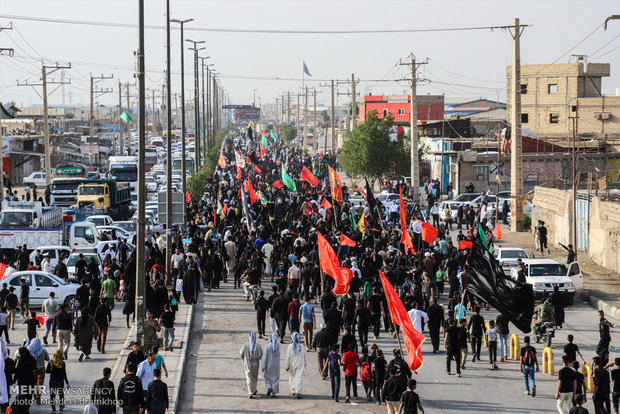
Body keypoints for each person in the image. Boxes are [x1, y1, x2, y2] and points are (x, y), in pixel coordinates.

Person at [240, 331, 263, 398]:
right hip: (255, 364)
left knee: (249, 377)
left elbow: (241, 353)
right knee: (255, 377)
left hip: (248, 363)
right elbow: (260, 355)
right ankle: (254, 389)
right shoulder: (257, 345)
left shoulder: (246, 345)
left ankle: (250, 392)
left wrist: (244, 359)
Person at [47, 349, 69, 414]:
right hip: (60, 382)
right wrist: (67, 383)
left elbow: (47, 371)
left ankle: (54, 410)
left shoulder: (51, 362)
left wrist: (51, 370)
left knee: (52, 396)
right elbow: (64, 374)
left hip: (52, 382)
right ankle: (61, 406)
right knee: (61, 395)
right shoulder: (62, 363)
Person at [285, 331, 306, 399]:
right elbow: (304, 356)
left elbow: (287, 357)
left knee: (292, 377)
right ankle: (298, 392)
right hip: (300, 364)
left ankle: (293, 390)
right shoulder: (301, 346)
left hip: (292, 365)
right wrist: (305, 363)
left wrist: (286, 366)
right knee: (299, 378)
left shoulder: (290, 346)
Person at [261, 333, 280, 397]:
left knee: (267, 377)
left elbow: (264, 357)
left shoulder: (267, 346)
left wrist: (263, 366)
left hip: (269, 365)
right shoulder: (278, 346)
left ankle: (269, 387)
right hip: (276, 365)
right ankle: (274, 392)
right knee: (275, 378)